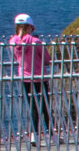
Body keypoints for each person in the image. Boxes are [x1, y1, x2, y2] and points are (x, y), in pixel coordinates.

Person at [10, 13, 53, 143]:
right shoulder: (36, 42)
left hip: (24, 78)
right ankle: (51, 135)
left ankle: (34, 134)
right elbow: (46, 59)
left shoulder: (13, 42)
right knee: (45, 106)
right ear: (30, 27)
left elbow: (16, 58)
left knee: (32, 106)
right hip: (39, 77)